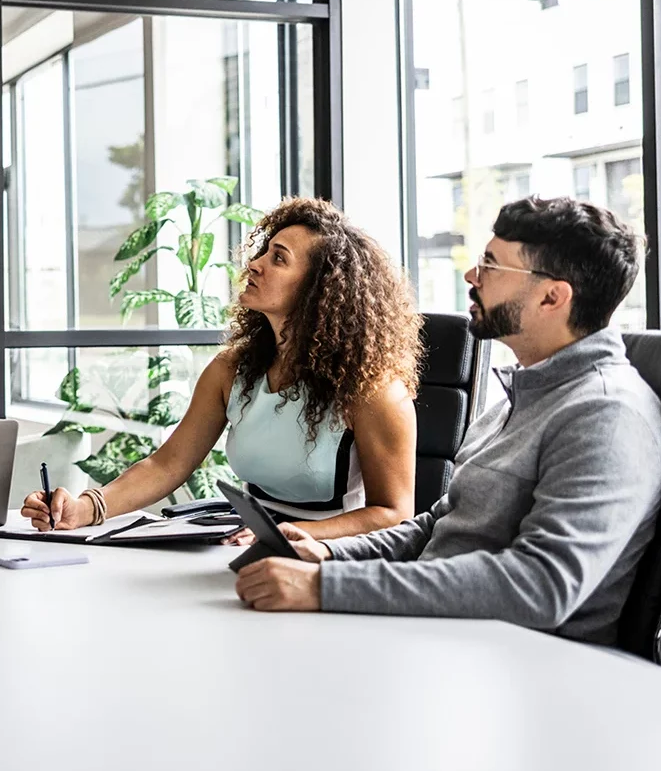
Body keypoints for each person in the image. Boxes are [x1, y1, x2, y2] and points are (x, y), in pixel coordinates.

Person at [235, 197, 661, 646]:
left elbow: (540, 585)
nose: (472, 276)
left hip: (519, 663)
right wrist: (329, 555)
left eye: (491, 265)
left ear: (552, 296)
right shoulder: (520, 398)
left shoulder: (607, 415)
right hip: (442, 636)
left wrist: (325, 588)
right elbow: (439, 525)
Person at [23, 197, 423, 541]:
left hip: (331, 557)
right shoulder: (232, 369)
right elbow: (169, 463)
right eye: (264, 251)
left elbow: (393, 513)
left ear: (319, 289)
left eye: (278, 259)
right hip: (244, 543)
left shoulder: (374, 392)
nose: (255, 264)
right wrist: (85, 508)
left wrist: (295, 535)